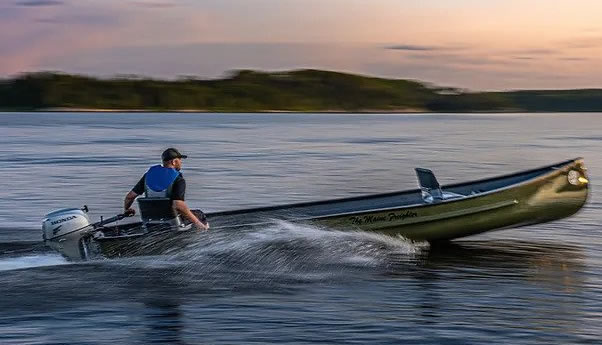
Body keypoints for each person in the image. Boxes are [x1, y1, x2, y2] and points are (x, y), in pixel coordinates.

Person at [123, 148, 209, 231]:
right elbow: (178, 205)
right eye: (180, 160)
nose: (181, 162)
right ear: (174, 162)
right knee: (199, 214)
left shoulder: (147, 176)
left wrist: (127, 210)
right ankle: (203, 233)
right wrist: (198, 223)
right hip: (173, 223)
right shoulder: (178, 179)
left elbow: (130, 197)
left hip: (150, 221)